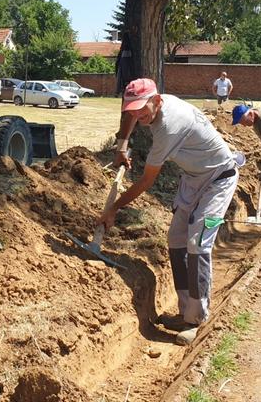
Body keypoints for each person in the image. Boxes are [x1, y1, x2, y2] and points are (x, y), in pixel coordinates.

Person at [101, 78, 240, 345]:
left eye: (144, 109)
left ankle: (198, 319)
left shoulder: (168, 128)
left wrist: (113, 209)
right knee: (176, 239)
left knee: (197, 243)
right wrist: (122, 145)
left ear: (157, 101)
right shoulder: (150, 104)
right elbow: (131, 112)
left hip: (219, 179)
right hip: (193, 177)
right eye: (133, 109)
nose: (138, 115)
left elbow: (145, 182)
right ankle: (186, 311)